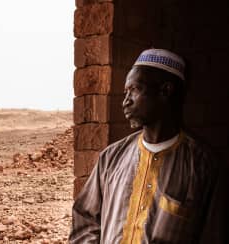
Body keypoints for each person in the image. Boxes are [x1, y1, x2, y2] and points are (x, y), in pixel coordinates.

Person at [69, 49, 226, 243]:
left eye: (134, 89)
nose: (125, 102)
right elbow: (85, 220)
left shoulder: (204, 166)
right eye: (126, 92)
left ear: (165, 91)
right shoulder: (110, 158)